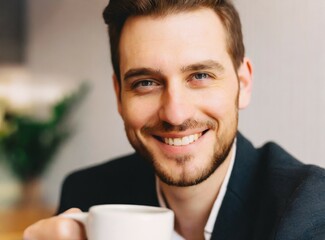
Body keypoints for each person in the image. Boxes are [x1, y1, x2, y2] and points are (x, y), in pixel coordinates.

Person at [24, 0, 325, 239]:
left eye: (200, 76)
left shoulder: (308, 209)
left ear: (243, 83)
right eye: (145, 83)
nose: (175, 113)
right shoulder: (87, 194)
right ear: (119, 96)